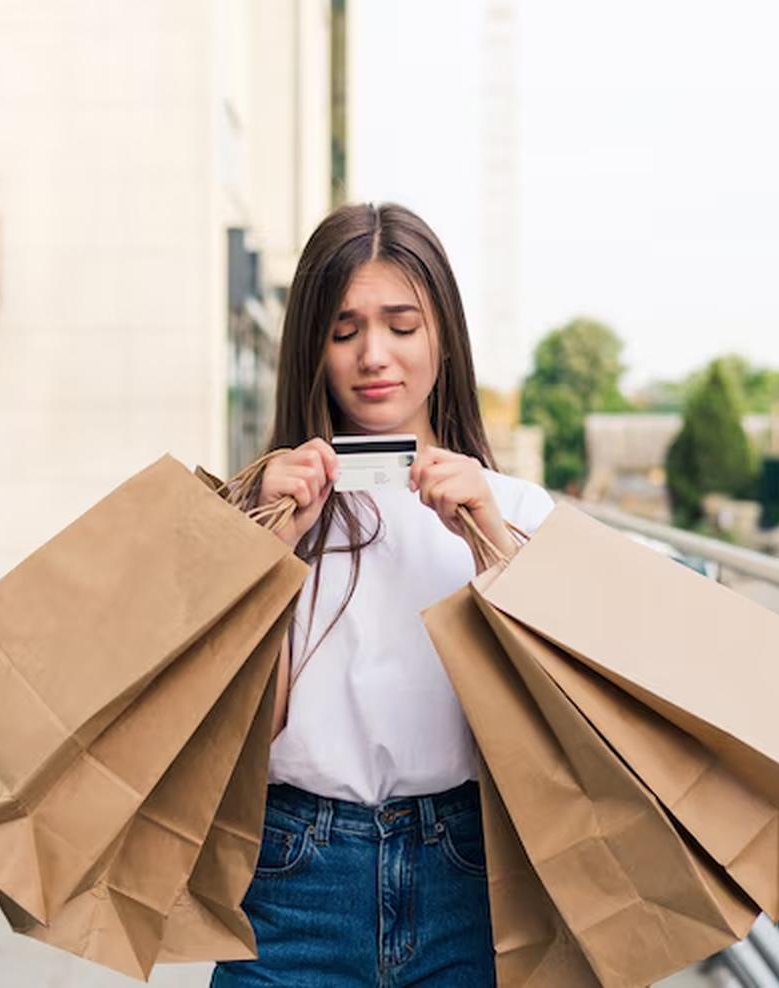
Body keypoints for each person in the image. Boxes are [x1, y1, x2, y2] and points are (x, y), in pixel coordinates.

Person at [211, 202, 555, 987]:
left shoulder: (517, 512)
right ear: (313, 349)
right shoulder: (260, 513)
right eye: (344, 330)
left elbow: (565, 730)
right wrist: (264, 550)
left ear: (443, 337)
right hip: (293, 880)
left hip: (468, 880)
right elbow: (231, 736)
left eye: (402, 325)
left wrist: (492, 545)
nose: (374, 354)